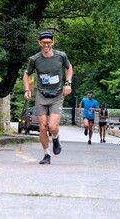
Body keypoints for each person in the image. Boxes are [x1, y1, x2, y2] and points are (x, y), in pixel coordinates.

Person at [23, 31, 73, 164]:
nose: (46, 45)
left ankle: (55, 138)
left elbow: (69, 68)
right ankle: (46, 154)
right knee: (43, 127)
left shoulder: (60, 56)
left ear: (53, 43)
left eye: (49, 42)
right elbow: (27, 74)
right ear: (39, 43)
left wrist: (68, 83)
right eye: (43, 42)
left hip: (57, 95)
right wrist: (27, 90)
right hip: (41, 95)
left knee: (52, 126)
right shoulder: (35, 59)